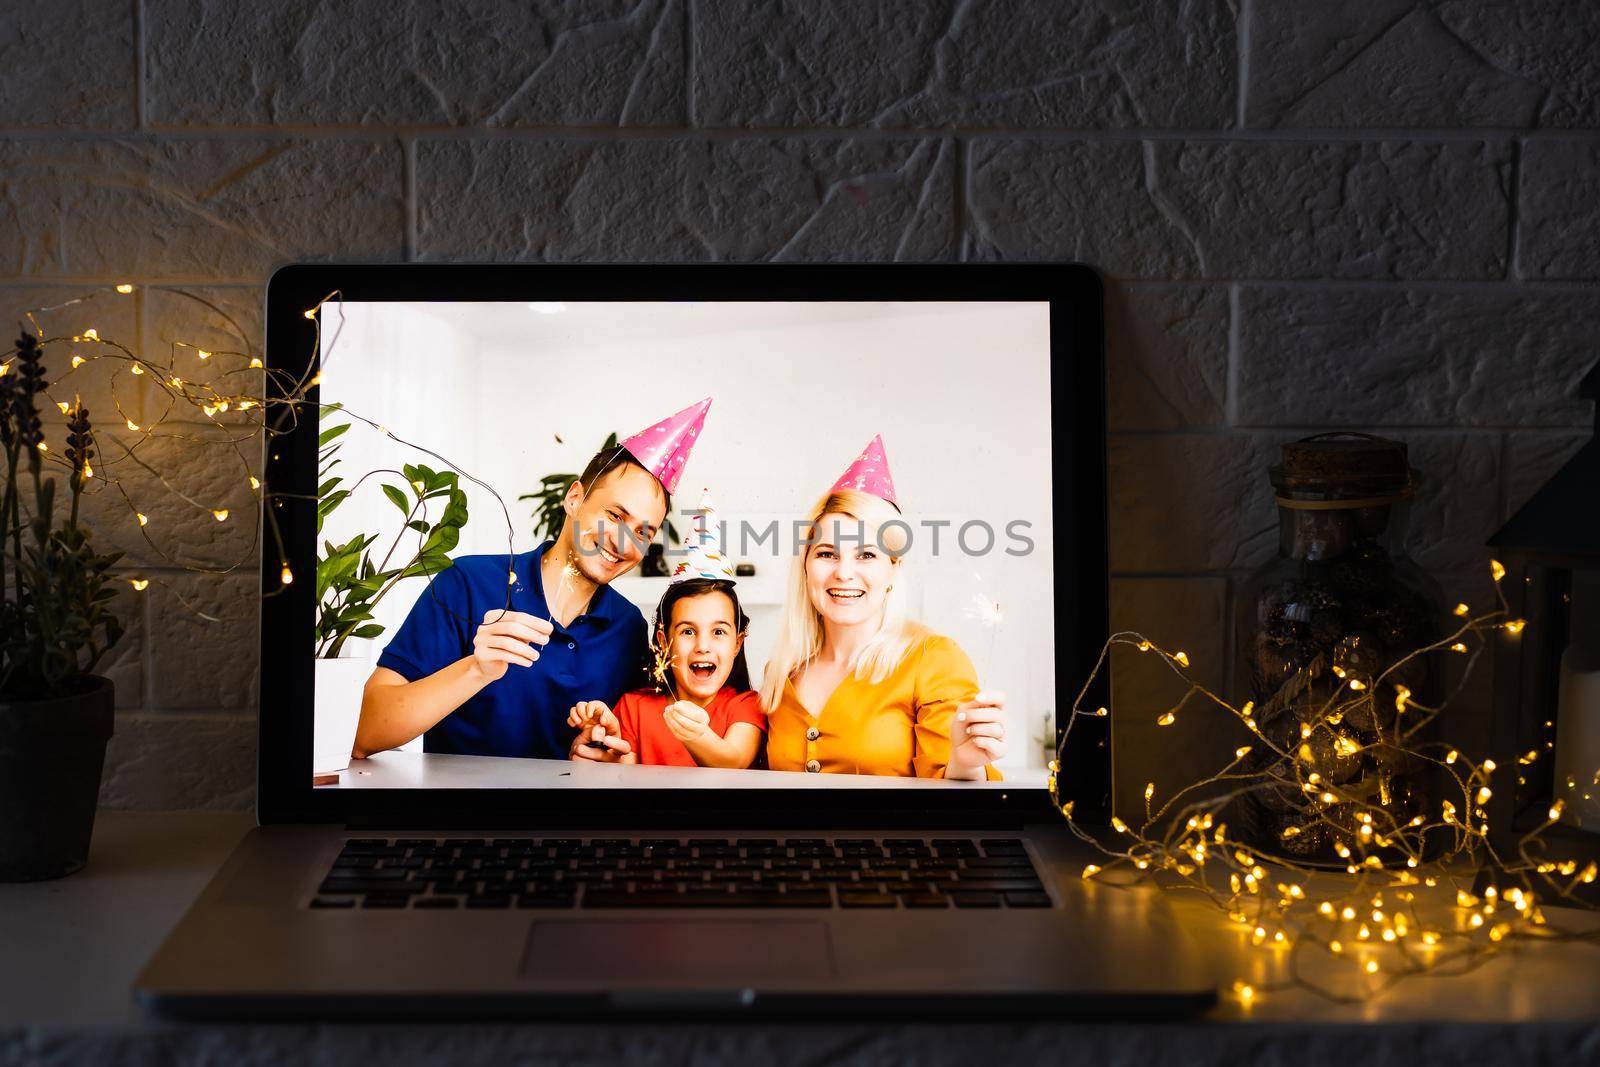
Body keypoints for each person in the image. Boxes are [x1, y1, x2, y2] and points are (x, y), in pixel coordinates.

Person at [350, 398, 711, 760]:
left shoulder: (629, 628)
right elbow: (363, 733)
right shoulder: (467, 583)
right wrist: (476, 668)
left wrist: (608, 753)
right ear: (574, 499)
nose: (623, 542)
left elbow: (626, 742)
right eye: (615, 515)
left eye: (643, 532)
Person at [759, 435, 1006, 780]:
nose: (844, 573)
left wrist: (965, 765)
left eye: (866, 555)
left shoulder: (933, 659)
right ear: (805, 567)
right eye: (827, 554)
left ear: (893, 568)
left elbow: (961, 805)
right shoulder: (783, 670)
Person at [566, 502, 765, 769]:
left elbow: (734, 759)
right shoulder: (634, 707)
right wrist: (604, 750)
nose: (702, 646)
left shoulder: (746, 705)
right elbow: (624, 770)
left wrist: (696, 735)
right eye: (687, 631)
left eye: (718, 631)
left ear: (737, 643)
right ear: (662, 641)